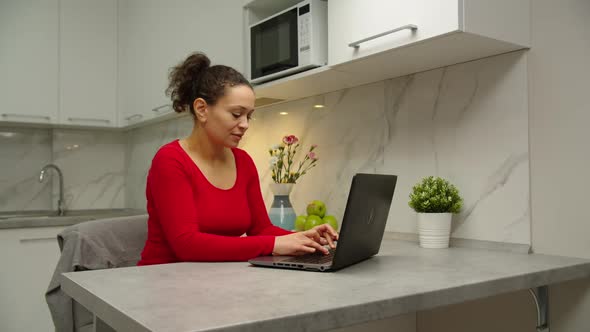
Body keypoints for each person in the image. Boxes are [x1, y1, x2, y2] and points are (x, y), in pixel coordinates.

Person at [138, 52, 338, 265]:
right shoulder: (170, 160)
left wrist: (304, 237)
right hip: (164, 281)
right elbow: (187, 244)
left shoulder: (243, 161)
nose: (245, 124)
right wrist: (273, 245)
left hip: (217, 279)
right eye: (236, 114)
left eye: (248, 115)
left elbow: (261, 229)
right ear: (202, 109)